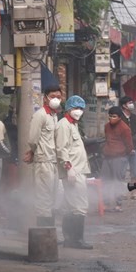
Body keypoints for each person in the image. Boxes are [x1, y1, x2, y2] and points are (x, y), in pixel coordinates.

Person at [56, 95, 93, 249]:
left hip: (77, 170)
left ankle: (69, 239)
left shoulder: (73, 124)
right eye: (75, 108)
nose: (78, 111)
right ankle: (76, 240)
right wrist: (68, 168)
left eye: (81, 108)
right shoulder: (64, 125)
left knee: (70, 205)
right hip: (73, 171)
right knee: (80, 205)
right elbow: (61, 148)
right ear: (68, 109)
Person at [24, 85, 62, 227]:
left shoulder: (54, 116)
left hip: (53, 161)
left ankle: (50, 233)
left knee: (52, 199)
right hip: (43, 161)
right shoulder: (40, 115)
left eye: (58, 97)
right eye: (53, 96)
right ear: (45, 98)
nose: (56, 99)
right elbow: (33, 139)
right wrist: (33, 152)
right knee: (43, 200)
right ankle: (43, 235)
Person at [101, 106, 134, 212]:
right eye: (110, 116)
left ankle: (118, 204)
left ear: (119, 117)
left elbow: (129, 145)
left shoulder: (125, 128)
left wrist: (124, 154)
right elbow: (107, 139)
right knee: (105, 181)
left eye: (114, 116)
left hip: (119, 158)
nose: (111, 118)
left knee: (117, 181)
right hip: (107, 157)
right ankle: (105, 203)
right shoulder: (107, 126)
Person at [118, 96, 136, 181]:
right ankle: (120, 188)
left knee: (134, 169)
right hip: (123, 148)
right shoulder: (119, 118)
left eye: (132, 102)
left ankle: (133, 188)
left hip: (134, 146)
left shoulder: (135, 117)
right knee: (122, 169)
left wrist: (133, 139)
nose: (132, 104)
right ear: (124, 106)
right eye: (129, 103)